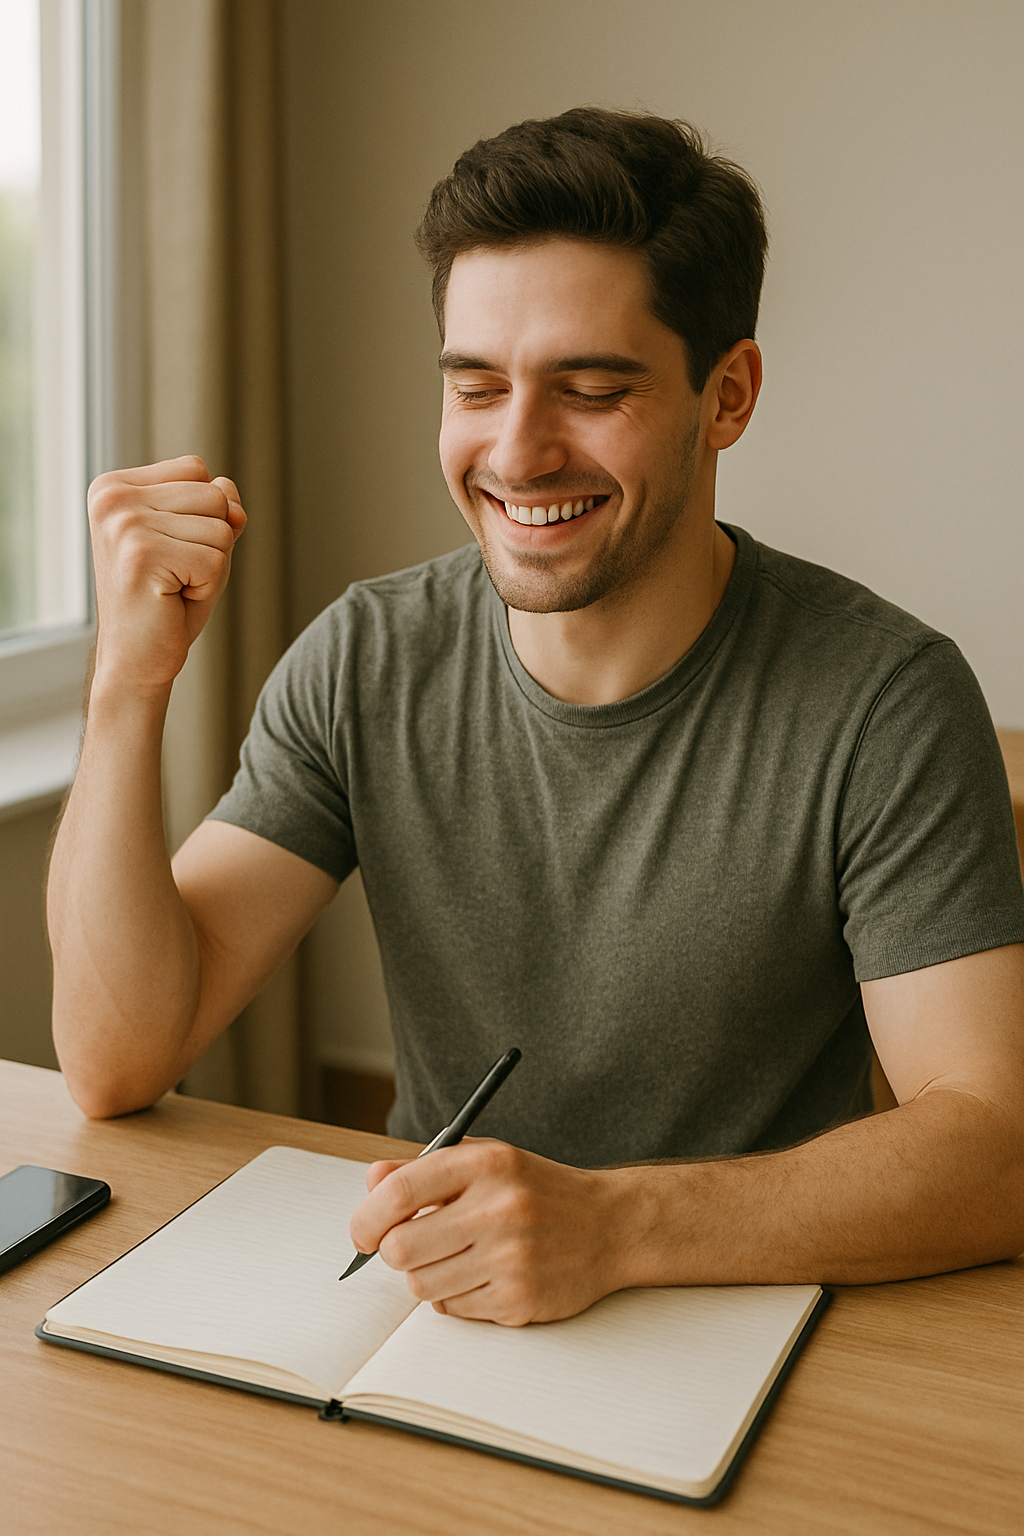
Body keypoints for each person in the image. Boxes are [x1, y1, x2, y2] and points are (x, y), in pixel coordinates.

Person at [48, 109, 1024, 1326]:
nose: (516, 452)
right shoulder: (366, 655)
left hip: (753, 1321)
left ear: (726, 397)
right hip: (430, 1306)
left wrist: (613, 1227)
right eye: (477, 386)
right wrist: (126, 683)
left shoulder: (885, 700)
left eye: (593, 388)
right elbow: (113, 1056)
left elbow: (995, 1151)